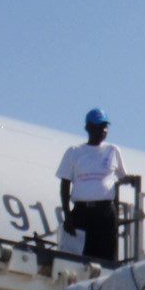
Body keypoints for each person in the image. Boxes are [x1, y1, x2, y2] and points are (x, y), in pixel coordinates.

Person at [57, 108, 128, 262]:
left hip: (105, 212)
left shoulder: (113, 150)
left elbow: (123, 177)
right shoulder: (74, 152)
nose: (103, 130)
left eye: (105, 127)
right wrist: (67, 214)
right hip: (82, 212)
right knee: (77, 258)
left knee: (105, 258)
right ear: (88, 128)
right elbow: (65, 184)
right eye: (98, 126)